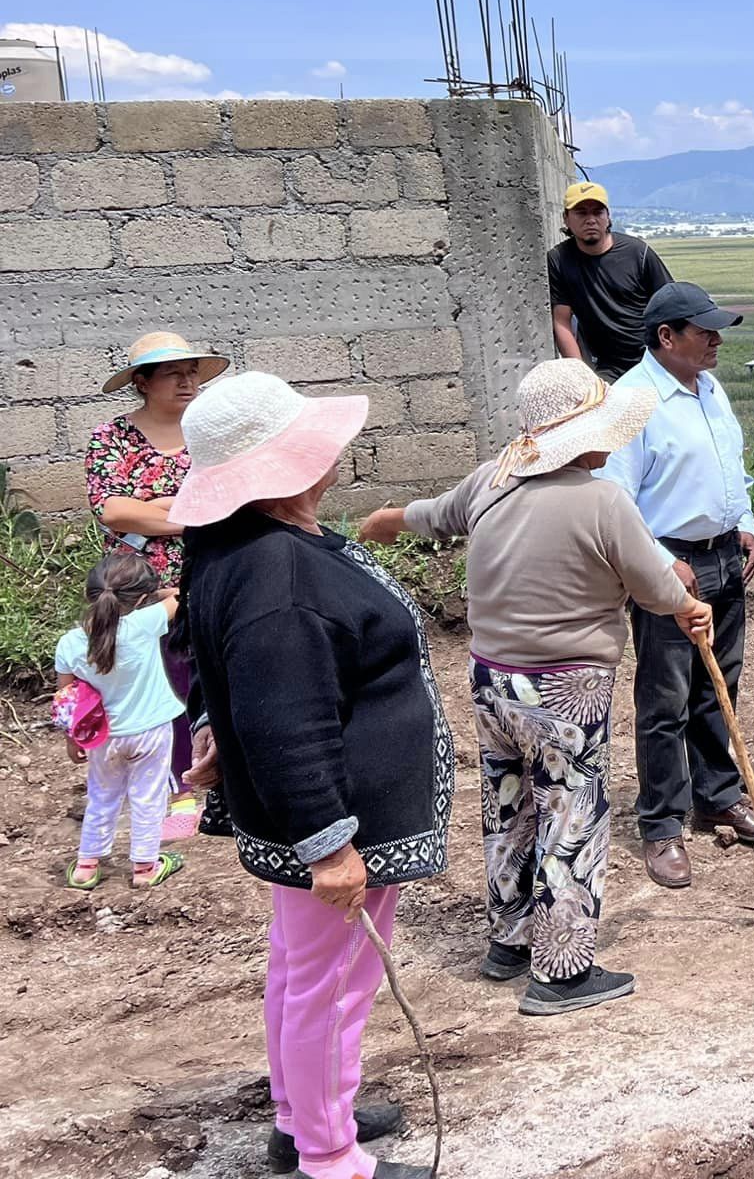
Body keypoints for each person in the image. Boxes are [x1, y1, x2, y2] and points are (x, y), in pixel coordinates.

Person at [358, 359, 715, 1015]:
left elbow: (435, 515)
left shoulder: (494, 478)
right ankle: (562, 971)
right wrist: (686, 602)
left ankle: (510, 939)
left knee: (509, 804)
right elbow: (655, 588)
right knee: (570, 814)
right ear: (584, 436)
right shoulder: (601, 499)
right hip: (564, 688)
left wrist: (387, 518)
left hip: (493, 678)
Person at [172, 371, 447, 1179]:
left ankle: (304, 1116)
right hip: (336, 815)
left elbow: (220, 670)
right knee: (332, 986)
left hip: (313, 809)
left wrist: (215, 732)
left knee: (304, 971)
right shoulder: (279, 575)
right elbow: (289, 717)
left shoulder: (244, 548)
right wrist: (329, 845)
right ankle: (330, 1159)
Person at [600, 281, 754, 888]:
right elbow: (614, 499)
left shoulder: (709, 389)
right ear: (665, 337)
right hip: (671, 570)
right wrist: (660, 562)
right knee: (665, 699)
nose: (717, 339)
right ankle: (662, 823)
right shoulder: (632, 401)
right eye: (705, 330)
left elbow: (729, 470)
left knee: (721, 684)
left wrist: (743, 524)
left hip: (722, 559)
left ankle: (716, 793)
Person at [84, 331, 229, 842]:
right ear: (142, 383)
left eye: (192, 371)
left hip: (218, 569)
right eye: (173, 373)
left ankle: (231, 773)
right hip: (145, 586)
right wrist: (190, 515)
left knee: (222, 672)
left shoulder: (212, 431)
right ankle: (180, 789)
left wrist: (155, 508)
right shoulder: (113, 438)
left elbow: (231, 493)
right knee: (164, 686)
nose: (187, 381)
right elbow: (114, 510)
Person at [57, 551, 187, 892]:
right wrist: (156, 595)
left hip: (103, 736)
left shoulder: (70, 643)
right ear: (142, 598)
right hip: (152, 731)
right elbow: (180, 596)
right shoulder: (146, 623)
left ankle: (87, 865)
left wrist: (74, 739)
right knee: (149, 795)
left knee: (102, 795)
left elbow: (66, 699)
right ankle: (145, 866)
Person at [548, 180, 675, 382]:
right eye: (581, 213)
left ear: (608, 217)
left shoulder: (638, 253)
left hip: (652, 358)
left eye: (598, 212)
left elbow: (672, 307)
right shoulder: (559, 260)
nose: (591, 220)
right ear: (566, 219)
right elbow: (561, 321)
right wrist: (582, 378)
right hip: (606, 366)